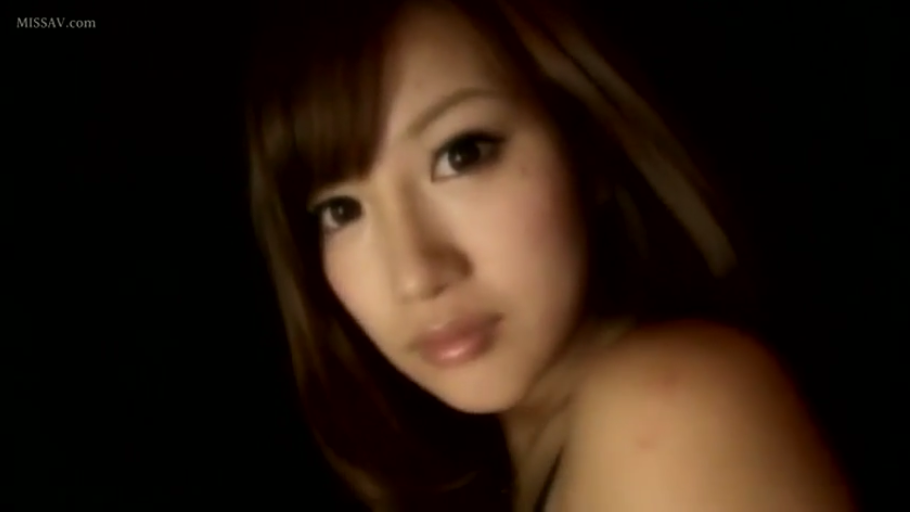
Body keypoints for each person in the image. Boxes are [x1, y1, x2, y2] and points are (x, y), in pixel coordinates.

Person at [245, 0, 854, 510]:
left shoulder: (672, 407)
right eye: (341, 211)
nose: (416, 275)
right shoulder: (525, 468)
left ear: (585, 145)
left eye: (462, 154)